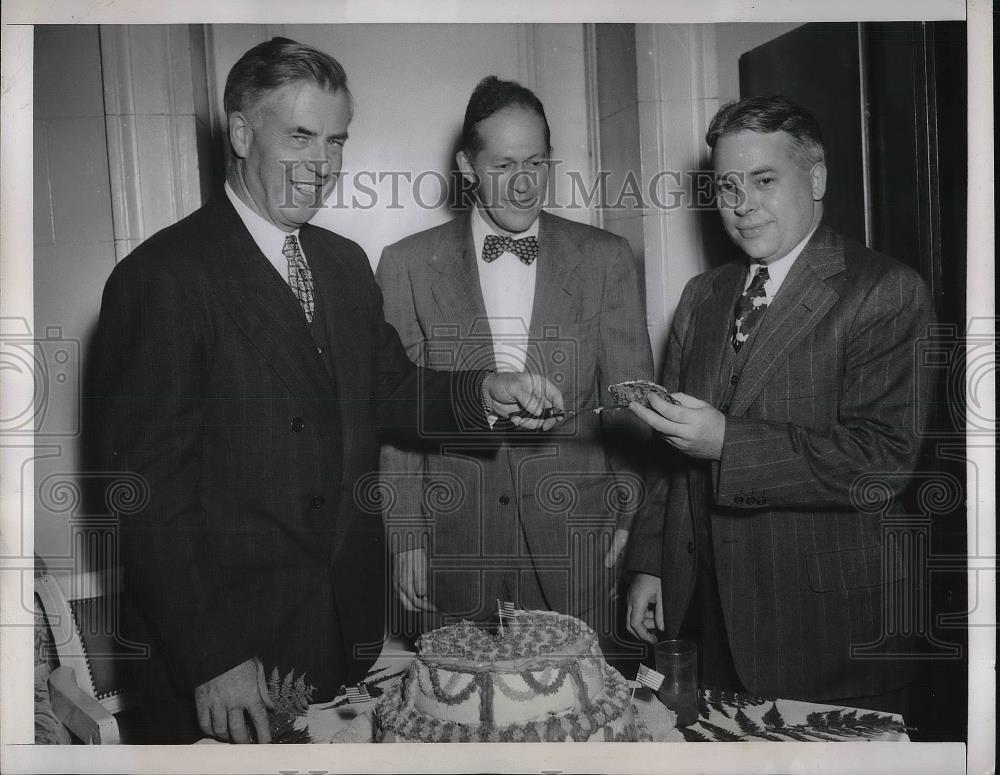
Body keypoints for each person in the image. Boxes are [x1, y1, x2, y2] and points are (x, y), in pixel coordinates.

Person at [87, 39, 562, 744]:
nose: (325, 164)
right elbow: (143, 492)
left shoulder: (341, 264)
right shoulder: (161, 277)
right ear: (242, 132)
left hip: (337, 630)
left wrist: (487, 391)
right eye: (301, 136)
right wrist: (212, 656)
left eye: (336, 140)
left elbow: (393, 389)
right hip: (227, 657)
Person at [624, 95, 933, 715]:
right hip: (705, 616)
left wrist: (727, 444)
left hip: (828, 632)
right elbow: (667, 449)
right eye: (726, 186)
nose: (741, 205)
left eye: (764, 180)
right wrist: (651, 565)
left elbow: (881, 461)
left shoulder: (884, 289)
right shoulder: (702, 295)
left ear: (816, 178)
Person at [376, 76, 653, 651]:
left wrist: (629, 520)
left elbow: (633, 403)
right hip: (454, 544)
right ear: (467, 167)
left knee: (572, 719)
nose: (525, 185)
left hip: (578, 542)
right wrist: (405, 538)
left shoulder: (605, 259)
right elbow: (397, 411)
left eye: (537, 163)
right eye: (503, 166)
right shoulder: (405, 265)